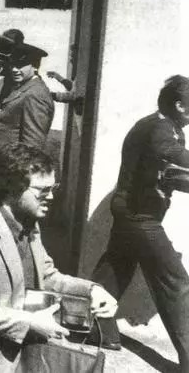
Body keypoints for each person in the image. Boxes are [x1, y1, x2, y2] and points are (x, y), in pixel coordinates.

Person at [0, 144, 118, 372]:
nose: (51, 196)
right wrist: (29, 321)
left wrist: (91, 291)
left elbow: (48, 276)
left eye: (54, 188)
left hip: (23, 355)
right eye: (42, 190)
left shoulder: (28, 224)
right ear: (12, 188)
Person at [88, 75, 189, 366]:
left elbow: (163, 173)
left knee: (114, 270)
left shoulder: (159, 125)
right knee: (176, 283)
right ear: (180, 105)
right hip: (140, 217)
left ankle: (96, 328)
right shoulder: (160, 128)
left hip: (131, 214)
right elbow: (171, 154)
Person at [0, 42, 54, 180]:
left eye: (21, 65)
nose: (15, 69)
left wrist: (18, 177)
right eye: (13, 64)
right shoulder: (22, 86)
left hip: (9, 170)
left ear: (34, 66)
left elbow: (32, 145)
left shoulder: (35, 94)